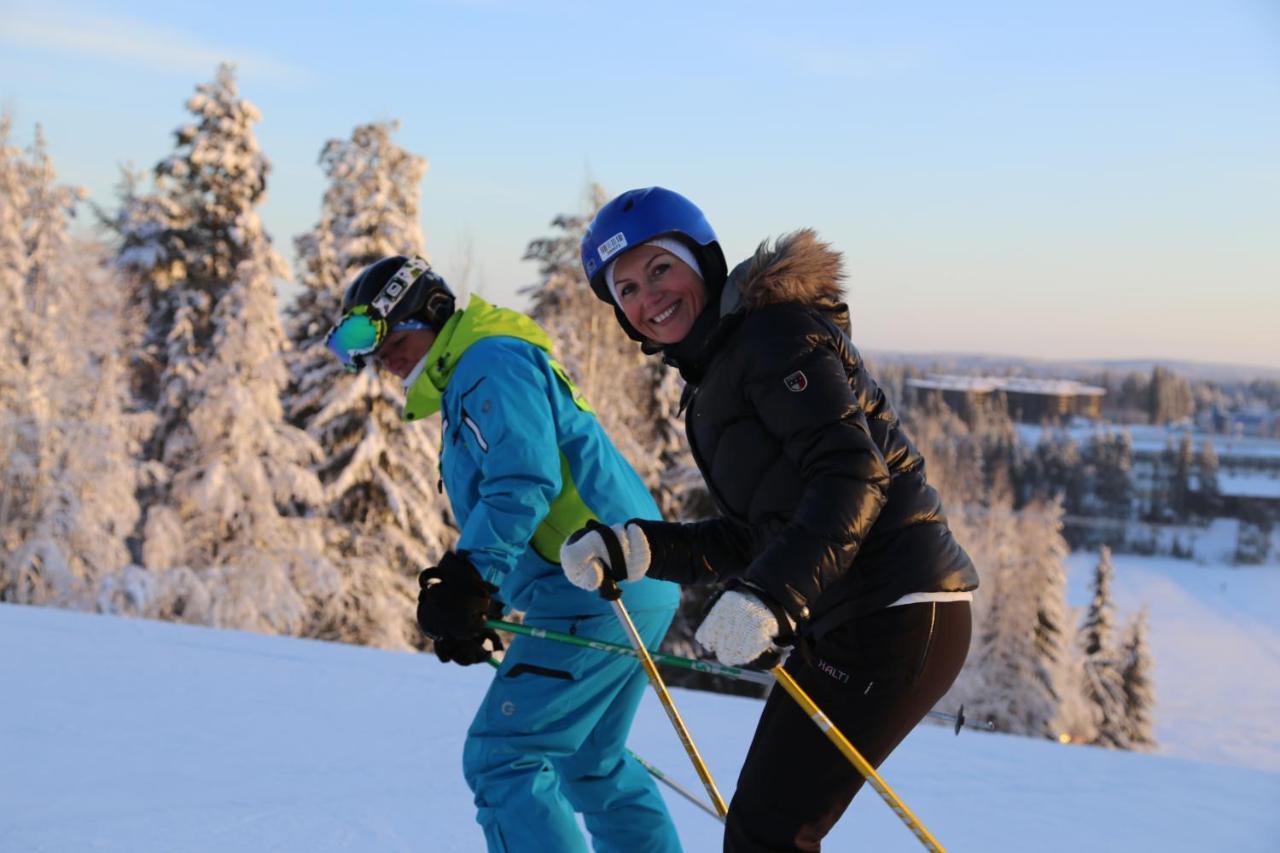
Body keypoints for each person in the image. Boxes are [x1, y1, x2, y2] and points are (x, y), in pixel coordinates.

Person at [558, 188, 980, 851]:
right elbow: (764, 530)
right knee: (762, 833)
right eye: (628, 288)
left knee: (768, 833)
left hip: (895, 607)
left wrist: (771, 594)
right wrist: (638, 548)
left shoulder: (774, 336)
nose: (650, 297)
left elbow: (852, 474)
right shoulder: (723, 368)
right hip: (850, 614)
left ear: (701, 259)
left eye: (661, 268)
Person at [325, 255, 683, 853]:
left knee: (502, 759)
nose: (378, 357)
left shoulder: (487, 362)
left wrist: (472, 578)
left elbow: (523, 479)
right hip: (629, 580)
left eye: (383, 335)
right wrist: (478, 590)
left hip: (599, 587)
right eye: (361, 346)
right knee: (591, 762)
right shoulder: (490, 362)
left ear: (430, 312)